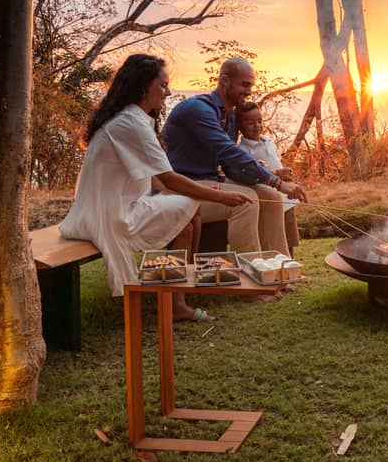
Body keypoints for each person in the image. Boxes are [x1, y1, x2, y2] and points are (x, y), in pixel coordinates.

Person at [59, 53, 250, 322]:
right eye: (162, 85)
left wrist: (207, 192)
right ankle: (180, 298)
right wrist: (220, 197)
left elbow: (158, 179)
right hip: (109, 214)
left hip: (115, 206)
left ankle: (181, 292)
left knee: (187, 215)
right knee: (188, 208)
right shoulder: (130, 123)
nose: (167, 92)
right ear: (143, 87)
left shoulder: (132, 119)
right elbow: (169, 179)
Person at [160, 57, 306, 255]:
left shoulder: (229, 118)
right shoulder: (198, 109)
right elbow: (228, 150)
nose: (249, 91)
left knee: (272, 198)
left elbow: (231, 167)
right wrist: (276, 182)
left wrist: (266, 174)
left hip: (210, 184)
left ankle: (280, 267)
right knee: (247, 201)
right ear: (225, 80)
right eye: (244, 84)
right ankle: (251, 268)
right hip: (179, 187)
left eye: (251, 86)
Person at [235, 103, 300, 257]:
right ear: (239, 126)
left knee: (289, 241)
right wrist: (277, 173)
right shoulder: (243, 151)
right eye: (250, 123)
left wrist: (285, 175)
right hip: (269, 202)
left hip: (286, 201)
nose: (257, 126)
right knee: (272, 240)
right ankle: (276, 265)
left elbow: (276, 162)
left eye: (259, 121)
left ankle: (290, 265)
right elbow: (253, 176)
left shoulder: (268, 141)